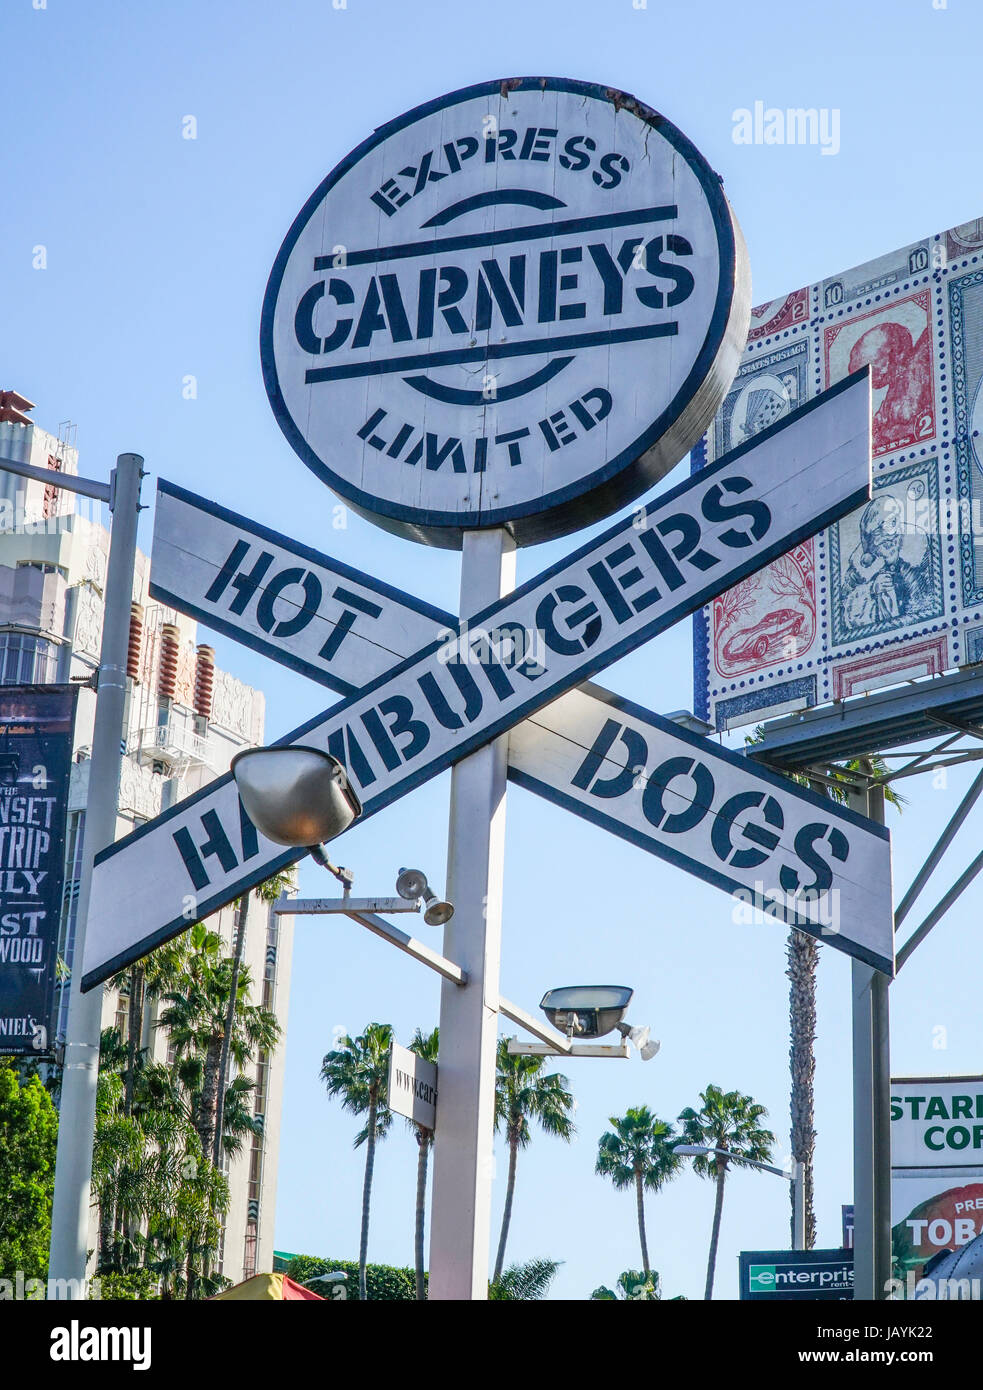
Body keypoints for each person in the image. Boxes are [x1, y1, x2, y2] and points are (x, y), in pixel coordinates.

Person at [842, 495, 934, 629]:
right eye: (883, 543)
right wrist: (872, 589)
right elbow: (847, 605)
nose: (889, 545)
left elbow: (929, 592)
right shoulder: (859, 570)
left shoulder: (918, 553)